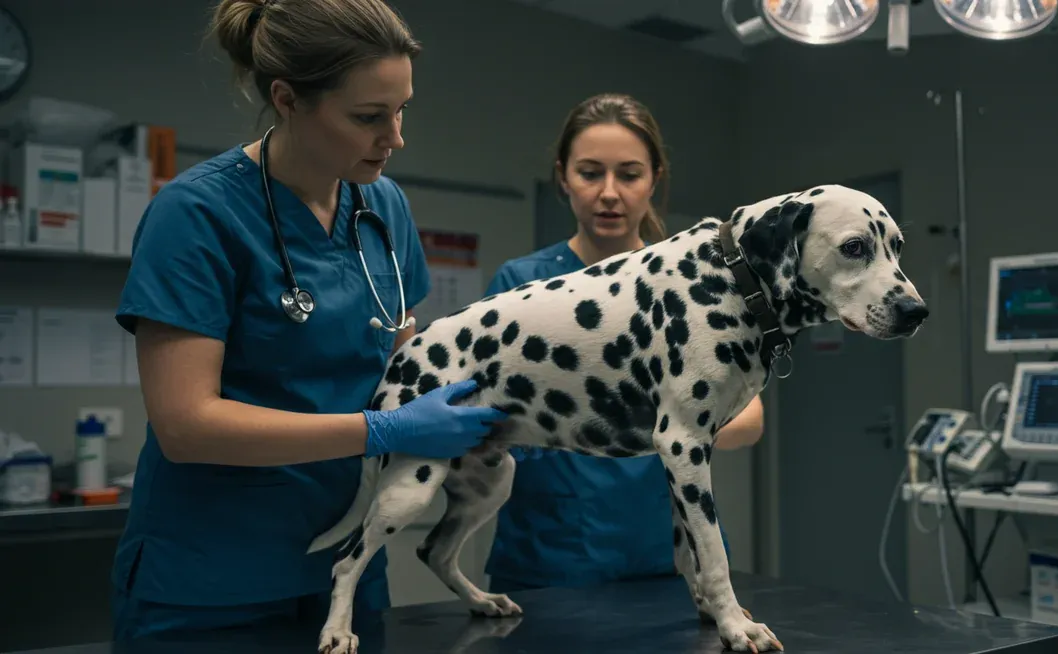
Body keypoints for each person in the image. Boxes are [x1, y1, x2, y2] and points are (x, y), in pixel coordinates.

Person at [108, 0, 506, 641]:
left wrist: (472, 413)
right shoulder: (197, 214)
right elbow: (186, 425)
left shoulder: (384, 206)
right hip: (213, 580)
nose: (395, 137)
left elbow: (404, 353)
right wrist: (383, 429)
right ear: (288, 99)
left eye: (402, 110)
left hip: (345, 571)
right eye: (368, 117)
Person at [483, 93, 765, 594]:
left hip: (667, 554)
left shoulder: (694, 282)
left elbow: (749, 418)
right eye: (590, 173)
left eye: (629, 175)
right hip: (551, 553)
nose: (609, 193)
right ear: (563, 177)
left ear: (654, 178)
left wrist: (671, 426)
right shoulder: (522, 283)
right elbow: (487, 411)